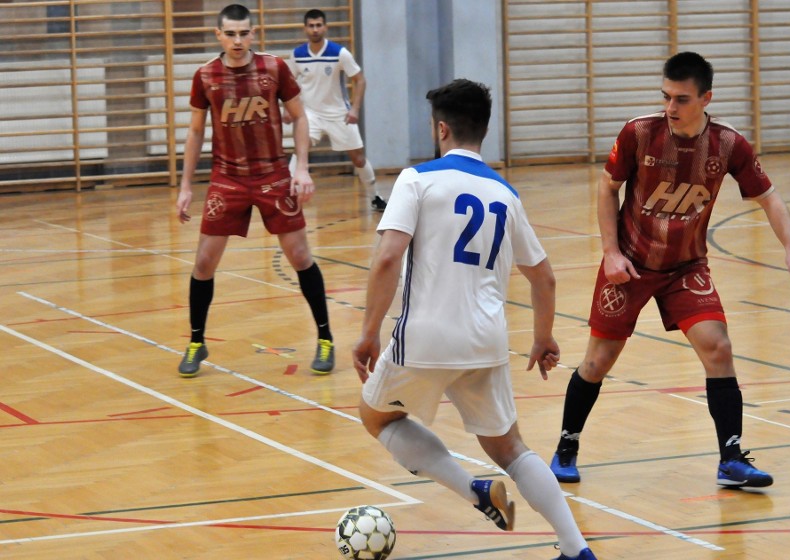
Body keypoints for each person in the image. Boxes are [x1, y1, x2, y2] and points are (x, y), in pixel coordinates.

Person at [352, 79, 596, 560]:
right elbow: (543, 278)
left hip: (424, 336)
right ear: (483, 130)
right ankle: (576, 549)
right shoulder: (506, 194)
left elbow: (387, 260)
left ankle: (474, 492)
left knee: (376, 414)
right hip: (487, 341)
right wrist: (543, 337)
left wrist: (367, 332)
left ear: (441, 129)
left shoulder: (416, 179)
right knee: (511, 448)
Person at [550, 51, 790, 489]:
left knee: (718, 347)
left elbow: (769, 196)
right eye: (666, 97)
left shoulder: (729, 144)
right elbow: (607, 187)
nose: (671, 108)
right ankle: (566, 448)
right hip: (631, 264)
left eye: (681, 99)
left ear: (706, 98)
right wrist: (611, 253)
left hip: (686, 267)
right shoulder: (640, 133)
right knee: (598, 361)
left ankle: (731, 459)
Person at [175, 4, 335, 378]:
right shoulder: (205, 76)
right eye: (230, 33)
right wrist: (185, 187)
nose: (237, 40)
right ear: (218, 35)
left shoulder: (274, 68)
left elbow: (299, 117)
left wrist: (302, 168)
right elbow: (196, 131)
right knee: (203, 264)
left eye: (243, 33)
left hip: (273, 175)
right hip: (227, 178)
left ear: (253, 33)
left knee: (299, 255)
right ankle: (197, 341)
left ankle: (325, 337)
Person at [285, 8, 387, 212]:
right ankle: (289, 197)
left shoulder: (339, 53)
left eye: (318, 25)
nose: (315, 29)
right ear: (305, 28)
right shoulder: (297, 55)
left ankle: (375, 196)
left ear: (325, 27)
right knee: (299, 152)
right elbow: (288, 83)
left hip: (338, 114)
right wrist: (288, 109)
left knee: (358, 158)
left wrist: (355, 109)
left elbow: (360, 80)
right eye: (311, 26)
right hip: (309, 114)